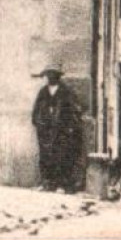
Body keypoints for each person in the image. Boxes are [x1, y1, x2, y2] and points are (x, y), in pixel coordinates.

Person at [32, 64, 84, 192]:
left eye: (53, 74)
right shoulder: (43, 92)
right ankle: (47, 183)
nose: (51, 76)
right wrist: (38, 123)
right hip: (46, 131)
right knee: (45, 157)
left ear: (58, 76)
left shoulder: (66, 92)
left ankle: (62, 185)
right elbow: (36, 109)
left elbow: (75, 110)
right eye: (48, 74)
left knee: (62, 157)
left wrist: (70, 128)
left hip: (61, 131)